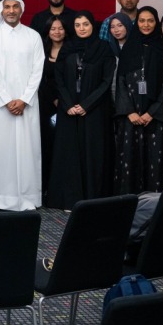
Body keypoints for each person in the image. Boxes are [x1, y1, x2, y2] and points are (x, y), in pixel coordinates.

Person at [0, 0, 45, 211]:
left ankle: (27, 198)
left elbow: (38, 70)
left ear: (22, 10)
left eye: (15, 6)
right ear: (1, 10)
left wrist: (24, 99)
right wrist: (7, 100)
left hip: (27, 104)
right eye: (6, 7)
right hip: (1, 105)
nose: (11, 10)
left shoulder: (33, 36)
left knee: (28, 150)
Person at [47, 11, 115, 209]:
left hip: (94, 110)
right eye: (77, 25)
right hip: (69, 111)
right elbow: (58, 79)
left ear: (93, 25)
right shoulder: (67, 48)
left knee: (92, 153)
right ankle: (69, 199)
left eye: (85, 24)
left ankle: (91, 200)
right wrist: (68, 105)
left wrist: (86, 105)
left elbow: (106, 81)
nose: (82, 28)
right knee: (69, 155)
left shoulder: (104, 49)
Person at [112, 8, 163, 194]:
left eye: (150, 21)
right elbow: (120, 82)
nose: (146, 25)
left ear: (156, 23)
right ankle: (128, 203)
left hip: (155, 118)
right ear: (136, 23)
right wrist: (129, 111)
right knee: (129, 159)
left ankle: (155, 205)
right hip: (130, 117)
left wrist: (152, 113)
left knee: (156, 160)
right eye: (142, 21)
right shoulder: (129, 48)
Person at [38, 16, 67, 198]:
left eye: (60, 28)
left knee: (64, 147)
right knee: (47, 145)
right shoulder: (42, 50)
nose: (57, 32)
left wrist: (63, 100)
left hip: (68, 105)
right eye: (53, 28)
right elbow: (39, 78)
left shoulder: (72, 50)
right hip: (45, 105)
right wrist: (52, 99)